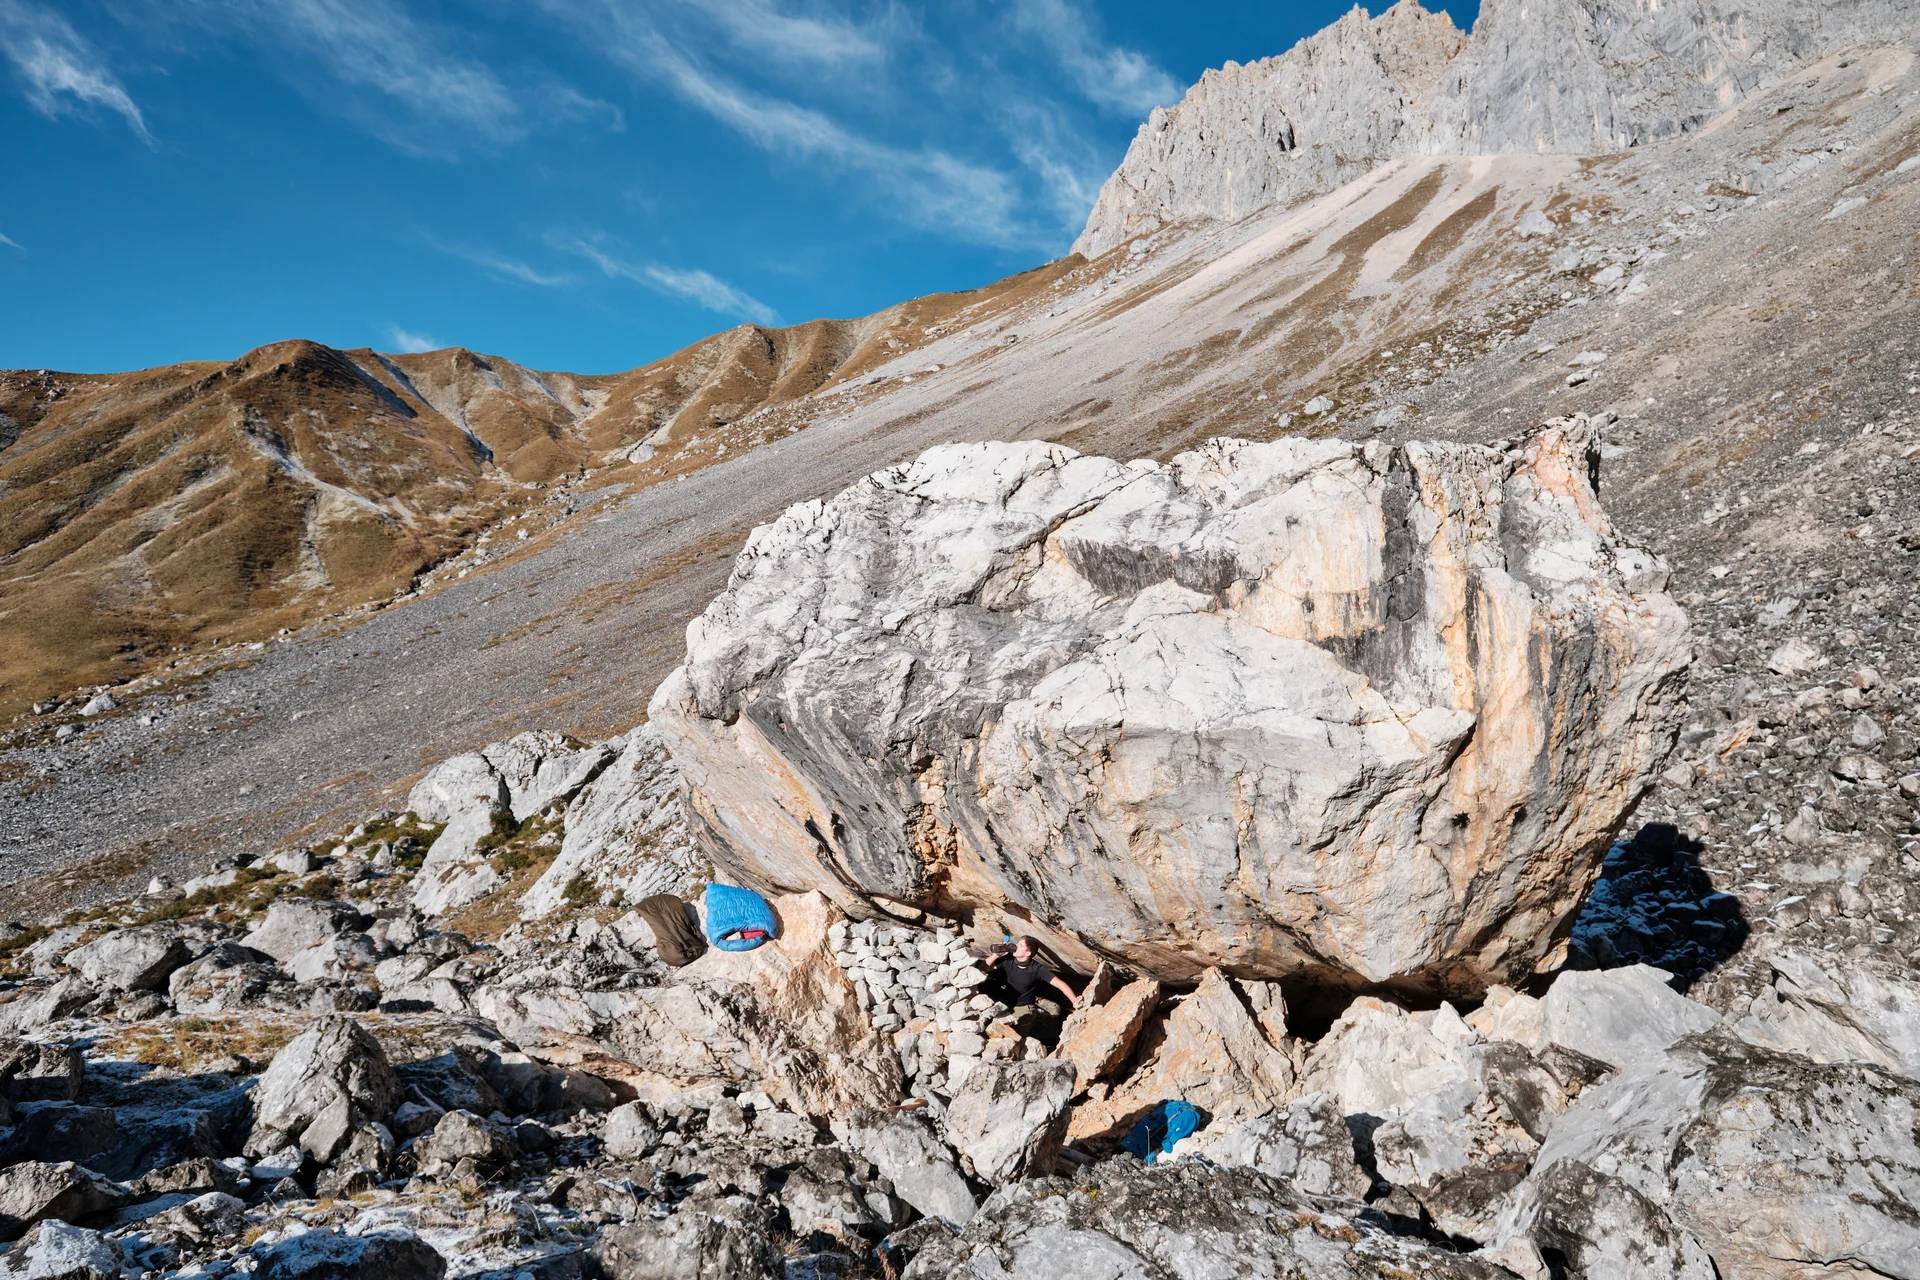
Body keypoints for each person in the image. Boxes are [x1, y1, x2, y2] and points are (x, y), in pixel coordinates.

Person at [991, 935, 1078, 1037]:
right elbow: (983, 968)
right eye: (1017, 943)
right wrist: (996, 955)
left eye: (1020, 945)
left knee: (1017, 1037)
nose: (1016, 945)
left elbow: (1060, 984)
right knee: (996, 1031)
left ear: (1027, 953)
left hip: (1023, 1007)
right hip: (1005, 1002)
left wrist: (1075, 1001)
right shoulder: (1008, 960)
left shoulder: (1037, 969)